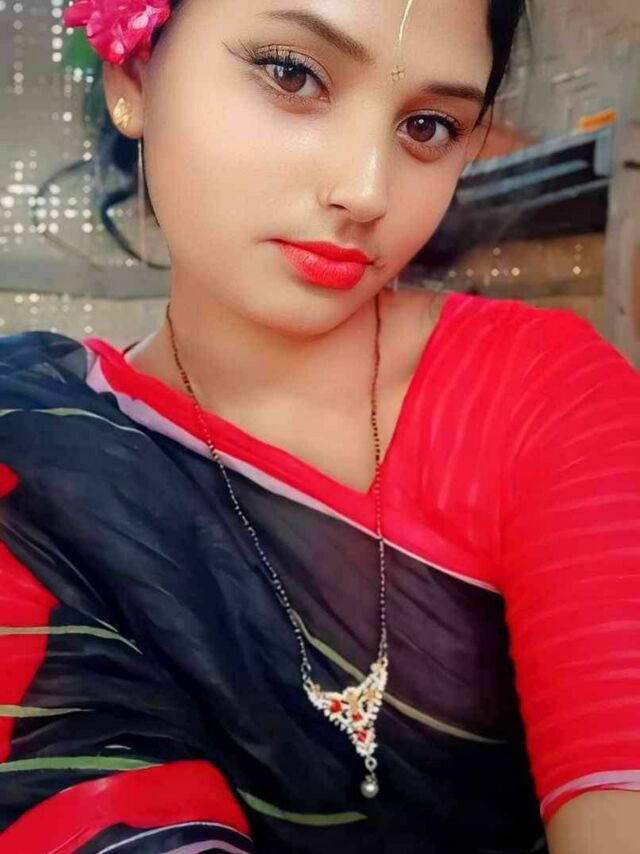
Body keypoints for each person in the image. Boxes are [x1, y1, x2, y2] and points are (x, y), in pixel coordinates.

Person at [0, 1, 639, 852]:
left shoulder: (541, 393)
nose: (367, 190)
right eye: (292, 74)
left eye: (427, 126)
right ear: (134, 74)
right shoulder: (35, 455)